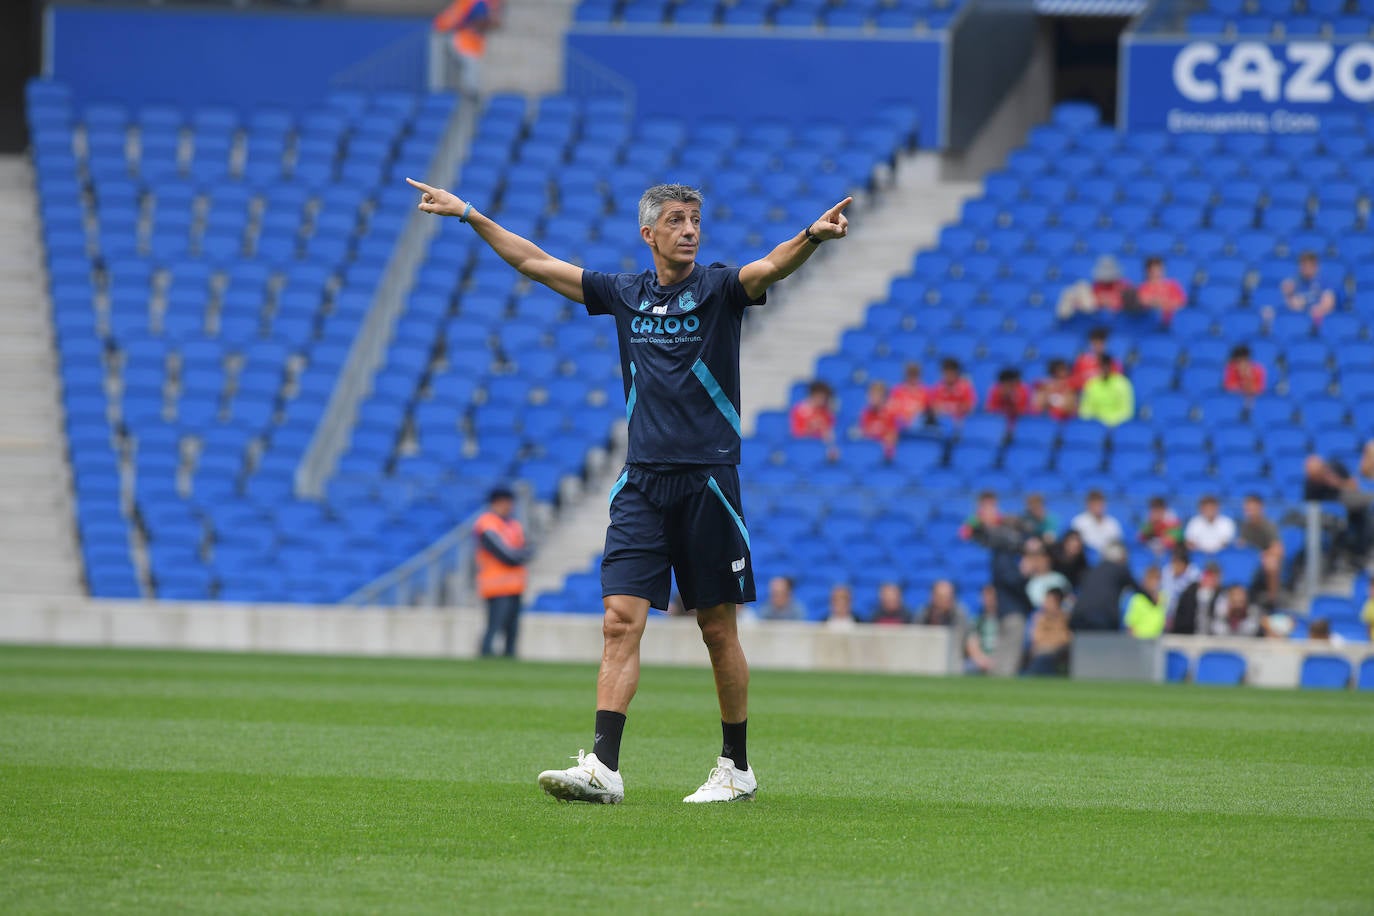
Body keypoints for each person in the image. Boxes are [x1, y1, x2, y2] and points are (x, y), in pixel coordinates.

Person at [407, 177, 853, 804]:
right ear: (649, 233)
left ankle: (736, 767)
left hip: (707, 482)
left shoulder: (720, 289)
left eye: (696, 219)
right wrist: (470, 214)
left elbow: (771, 267)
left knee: (718, 629)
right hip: (641, 482)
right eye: (676, 220)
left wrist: (811, 236)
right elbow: (535, 262)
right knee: (620, 622)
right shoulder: (624, 294)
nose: (690, 230)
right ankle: (604, 766)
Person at [473, 485, 530, 657]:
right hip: (496, 585)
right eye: (505, 502)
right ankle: (485, 655)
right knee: (495, 625)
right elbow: (505, 553)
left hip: (515, 585)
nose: (509, 506)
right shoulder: (487, 523)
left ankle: (509, 658)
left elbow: (525, 548)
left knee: (512, 630)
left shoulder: (513, 525)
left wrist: (519, 555)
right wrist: (519, 556)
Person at [1304, 453, 1371, 567]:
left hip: (1349, 507)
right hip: (1327, 515)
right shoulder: (1311, 483)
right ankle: (1333, 560)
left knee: (1364, 512)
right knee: (1336, 527)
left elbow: (1354, 487)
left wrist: (1337, 482)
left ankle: (1359, 553)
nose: (1315, 477)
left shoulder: (1336, 467)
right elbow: (1310, 506)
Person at [432, 0, 500, 99]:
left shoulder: (482, 3)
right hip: (459, 37)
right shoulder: (477, 3)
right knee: (470, 65)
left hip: (462, 37)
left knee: (468, 67)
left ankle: (467, 93)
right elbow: (481, 21)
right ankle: (470, 94)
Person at [1069, 541, 1140, 631]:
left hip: (1078, 617)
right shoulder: (1120, 570)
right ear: (1121, 558)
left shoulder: (1091, 571)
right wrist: (1152, 598)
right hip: (1103, 618)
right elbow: (1137, 588)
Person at [1237, 493, 1284, 607]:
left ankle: (1272, 600)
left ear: (1261, 509)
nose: (1251, 512)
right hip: (1248, 559)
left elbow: (1278, 549)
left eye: (1253, 509)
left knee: (1271, 564)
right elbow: (1241, 545)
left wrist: (1261, 555)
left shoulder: (1269, 526)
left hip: (1263, 558)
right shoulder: (1244, 526)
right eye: (1248, 509)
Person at [1056, 255, 1132, 320]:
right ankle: (1064, 322)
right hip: (1095, 318)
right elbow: (1090, 304)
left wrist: (1108, 301)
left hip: (1119, 319)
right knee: (1078, 288)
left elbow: (1123, 304)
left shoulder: (1124, 285)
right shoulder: (1097, 286)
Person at [1023, 587, 1072, 676]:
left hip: (1056, 652)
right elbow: (1035, 637)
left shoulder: (1065, 619)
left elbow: (1065, 638)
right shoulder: (1039, 618)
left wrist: (1049, 645)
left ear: (1058, 602)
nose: (1045, 604)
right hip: (1040, 651)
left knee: (1044, 658)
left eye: (1049, 601)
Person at [1278, 251, 1336, 325]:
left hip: (1320, 321)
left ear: (1316, 266)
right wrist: (1288, 296)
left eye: (1309, 265)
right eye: (1303, 265)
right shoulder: (1294, 282)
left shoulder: (1325, 282)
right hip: (1299, 320)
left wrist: (1311, 310)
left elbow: (1328, 304)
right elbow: (1292, 305)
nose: (1306, 268)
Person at [1078, 355, 1134, 427]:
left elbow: (1127, 412)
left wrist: (1110, 423)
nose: (1104, 368)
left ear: (1111, 366)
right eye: (1102, 366)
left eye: (1107, 365)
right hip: (1096, 427)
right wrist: (1096, 424)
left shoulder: (1122, 384)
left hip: (1117, 427)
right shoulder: (1091, 384)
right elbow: (1085, 411)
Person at [1170, 561, 1223, 635]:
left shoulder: (1222, 595)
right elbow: (1182, 621)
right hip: (1188, 637)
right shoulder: (1189, 593)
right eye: (1209, 576)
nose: (1211, 581)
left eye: (1215, 577)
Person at [1020, 536, 1071, 609]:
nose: (1044, 562)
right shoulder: (1032, 584)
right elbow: (1039, 605)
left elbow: (1069, 597)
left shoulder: (1059, 577)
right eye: (1039, 559)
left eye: (1045, 558)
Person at [1136, 255, 1187, 326]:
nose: (1157, 273)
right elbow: (1143, 302)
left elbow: (1181, 303)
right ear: (1148, 272)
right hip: (1150, 324)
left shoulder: (1173, 285)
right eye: (1153, 270)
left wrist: (1162, 303)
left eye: (1159, 269)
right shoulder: (1142, 288)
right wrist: (1158, 303)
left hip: (1173, 323)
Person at [1071, 489, 1125, 555]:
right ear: (1088, 505)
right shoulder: (1079, 522)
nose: (1097, 507)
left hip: (1108, 559)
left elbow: (1118, 543)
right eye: (1094, 503)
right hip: (1084, 558)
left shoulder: (1112, 523)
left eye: (1100, 503)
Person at [856, 379, 899, 457]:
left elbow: (891, 438)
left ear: (884, 397)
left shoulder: (890, 414)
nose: (873, 398)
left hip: (883, 454)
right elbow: (863, 434)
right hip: (867, 451)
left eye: (877, 395)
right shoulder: (865, 413)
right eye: (871, 395)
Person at [926, 357, 976, 422]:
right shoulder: (937, 388)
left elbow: (969, 407)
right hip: (942, 423)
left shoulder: (965, 387)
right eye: (946, 372)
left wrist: (948, 408)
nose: (948, 375)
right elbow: (934, 408)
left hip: (961, 423)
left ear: (957, 372)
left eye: (951, 371)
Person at [1123, 565, 1166, 638]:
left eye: (1156, 579)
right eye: (1151, 579)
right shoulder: (1138, 599)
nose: (1154, 583)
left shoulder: (1164, 598)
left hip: (1157, 641)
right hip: (1140, 641)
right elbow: (1130, 626)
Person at [1160, 545, 1199, 622]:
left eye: (1178, 563)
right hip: (1168, 613)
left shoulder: (1194, 574)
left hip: (1187, 613)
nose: (1174, 566)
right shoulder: (1166, 571)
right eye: (1173, 562)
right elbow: (1165, 593)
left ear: (1185, 564)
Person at [965, 584, 998, 674]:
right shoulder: (976, 621)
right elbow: (971, 642)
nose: (988, 600)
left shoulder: (1004, 621)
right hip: (979, 660)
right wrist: (980, 660)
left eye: (991, 597)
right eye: (985, 596)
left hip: (999, 659)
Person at [887, 361, 929, 432]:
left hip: (918, 428)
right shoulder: (897, 391)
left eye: (915, 374)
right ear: (905, 375)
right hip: (900, 428)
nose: (912, 377)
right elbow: (891, 409)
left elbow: (927, 413)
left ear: (919, 375)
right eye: (910, 374)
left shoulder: (925, 393)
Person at [1071, 327, 1113, 391]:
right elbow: (1074, 381)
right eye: (1095, 343)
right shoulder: (1081, 361)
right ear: (1090, 343)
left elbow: (1117, 382)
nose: (1098, 346)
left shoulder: (1112, 362)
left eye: (1101, 343)